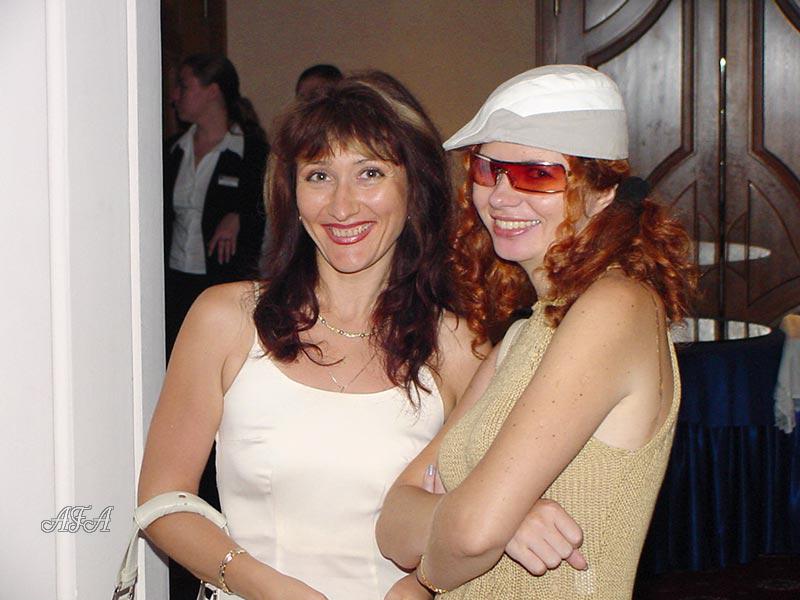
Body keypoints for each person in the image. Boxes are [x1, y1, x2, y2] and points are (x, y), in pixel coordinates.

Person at [377, 65, 698, 599]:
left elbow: (474, 533)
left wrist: (422, 582)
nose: (501, 196)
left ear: (602, 189)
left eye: (536, 174)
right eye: (488, 170)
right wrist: (498, 518)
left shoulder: (616, 307)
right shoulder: (526, 332)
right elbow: (393, 520)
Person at [164, 53, 269, 356]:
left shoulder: (252, 151)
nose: (174, 96)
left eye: (184, 86)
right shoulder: (171, 151)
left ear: (212, 92)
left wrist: (240, 216)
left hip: (224, 285)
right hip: (174, 282)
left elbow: (272, 210)